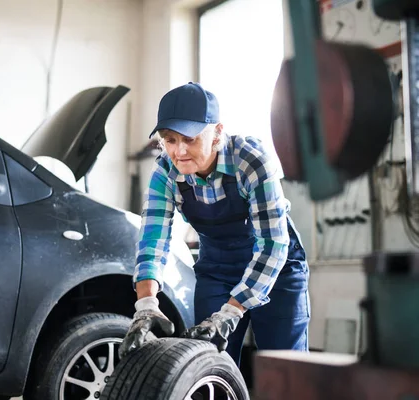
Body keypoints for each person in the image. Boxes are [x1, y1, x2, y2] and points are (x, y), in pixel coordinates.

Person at [118, 82, 310, 366]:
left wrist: (230, 312)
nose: (179, 151)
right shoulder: (165, 173)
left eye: (190, 139)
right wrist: (146, 304)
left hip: (277, 269)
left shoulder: (251, 162)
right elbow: (152, 239)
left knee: (286, 369)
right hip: (218, 270)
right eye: (170, 139)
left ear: (217, 132)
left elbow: (273, 244)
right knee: (208, 363)